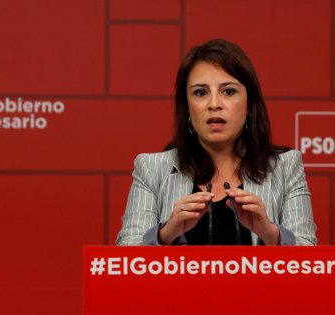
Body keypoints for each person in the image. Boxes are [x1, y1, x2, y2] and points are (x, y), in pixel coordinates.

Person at [116, 38, 317, 246]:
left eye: (228, 91)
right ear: (186, 106)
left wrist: (269, 232)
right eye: (201, 93)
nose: (214, 104)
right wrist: (166, 234)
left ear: (249, 104)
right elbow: (125, 255)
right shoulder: (152, 169)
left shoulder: (285, 167)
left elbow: (311, 258)